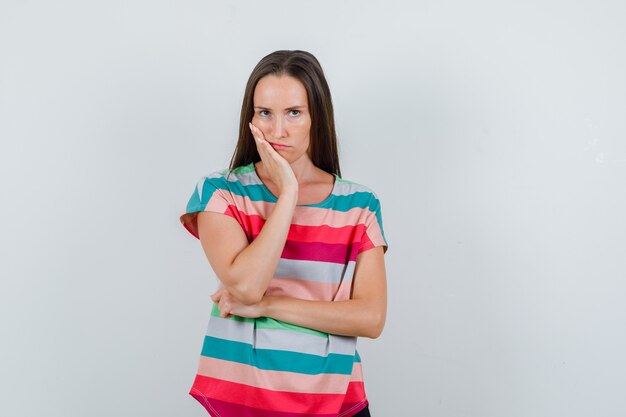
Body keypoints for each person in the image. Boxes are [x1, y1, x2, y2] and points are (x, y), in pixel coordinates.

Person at [179, 49, 389, 417]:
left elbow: (370, 318)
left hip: (336, 403)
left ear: (316, 118)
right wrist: (289, 193)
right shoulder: (221, 192)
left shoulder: (359, 205)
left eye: (294, 112)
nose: (278, 131)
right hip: (243, 400)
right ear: (251, 119)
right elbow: (246, 287)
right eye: (265, 113)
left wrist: (267, 306)